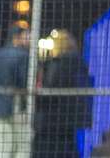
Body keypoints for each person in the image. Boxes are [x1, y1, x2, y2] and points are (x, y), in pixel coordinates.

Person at [33, 29, 92, 158]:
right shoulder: (79, 62)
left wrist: (37, 97)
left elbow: (51, 89)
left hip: (55, 119)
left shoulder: (60, 63)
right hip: (73, 118)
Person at [0, 24, 30, 158]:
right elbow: (25, 83)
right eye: (26, 37)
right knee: (22, 146)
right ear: (16, 38)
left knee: (4, 147)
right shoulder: (24, 56)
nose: (28, 40)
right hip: (19, 106)